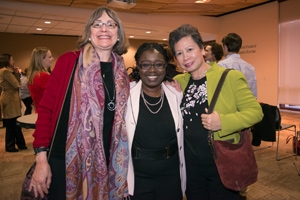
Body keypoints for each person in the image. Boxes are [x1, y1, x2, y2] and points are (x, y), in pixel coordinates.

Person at [29, 6, 130, 199]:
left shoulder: (122, 72)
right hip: (64, 159)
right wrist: (41, 159)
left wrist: (170, 82)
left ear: (118, 34)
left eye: (111, 24)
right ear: (89, 33)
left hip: (106, 160)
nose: (104, 29)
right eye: (97, 24)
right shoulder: (69, 61)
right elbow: (46, 109)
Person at [168, 24, 263, 200]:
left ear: (203, 49)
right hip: (190, 167)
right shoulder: (178, 81)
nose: (185, 57)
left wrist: (223, 122)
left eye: (190, 49)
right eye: (179, 53)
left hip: (222, 165)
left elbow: (256, 112)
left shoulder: (230, 77)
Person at [126, 43, 186, 200]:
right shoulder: (126, 95)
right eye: (145, 65)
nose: (152, 70)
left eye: (159, 64)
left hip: (171, 175)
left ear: (166, 66)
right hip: (138, 177)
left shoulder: (176, 95)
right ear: (137, 66)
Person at [218, 33, 259, 199]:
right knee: (244, 151)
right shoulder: (249, 67)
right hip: (244, 116)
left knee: (226, 152)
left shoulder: (220, 66)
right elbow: (254, 96)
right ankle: (243, 187)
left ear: (226, 47)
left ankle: (228, 183)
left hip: (226, 117)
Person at [0, 54, 27, 152]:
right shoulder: (6, 71)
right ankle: (11, 145)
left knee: (13, 123)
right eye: (12, 59)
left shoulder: (5, 71)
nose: (13, 61)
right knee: (12, 123)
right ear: (7, 61)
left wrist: (15, 73)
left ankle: (19, 144)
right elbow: (17, 85)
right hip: (10, 98)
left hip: (10, 97)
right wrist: (17, 73)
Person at [218, 33, 257, 98]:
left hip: (228, 105)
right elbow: (254, 94)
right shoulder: (250, 67)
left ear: (225, 47)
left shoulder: (221, 65)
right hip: (245, 104)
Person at [27, 47, 54, 112]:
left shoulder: (33, 76)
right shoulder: (44, 76)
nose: (52, 59)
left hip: (39, 111)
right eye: (50, 57)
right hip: (48, 113)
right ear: (41, 59)